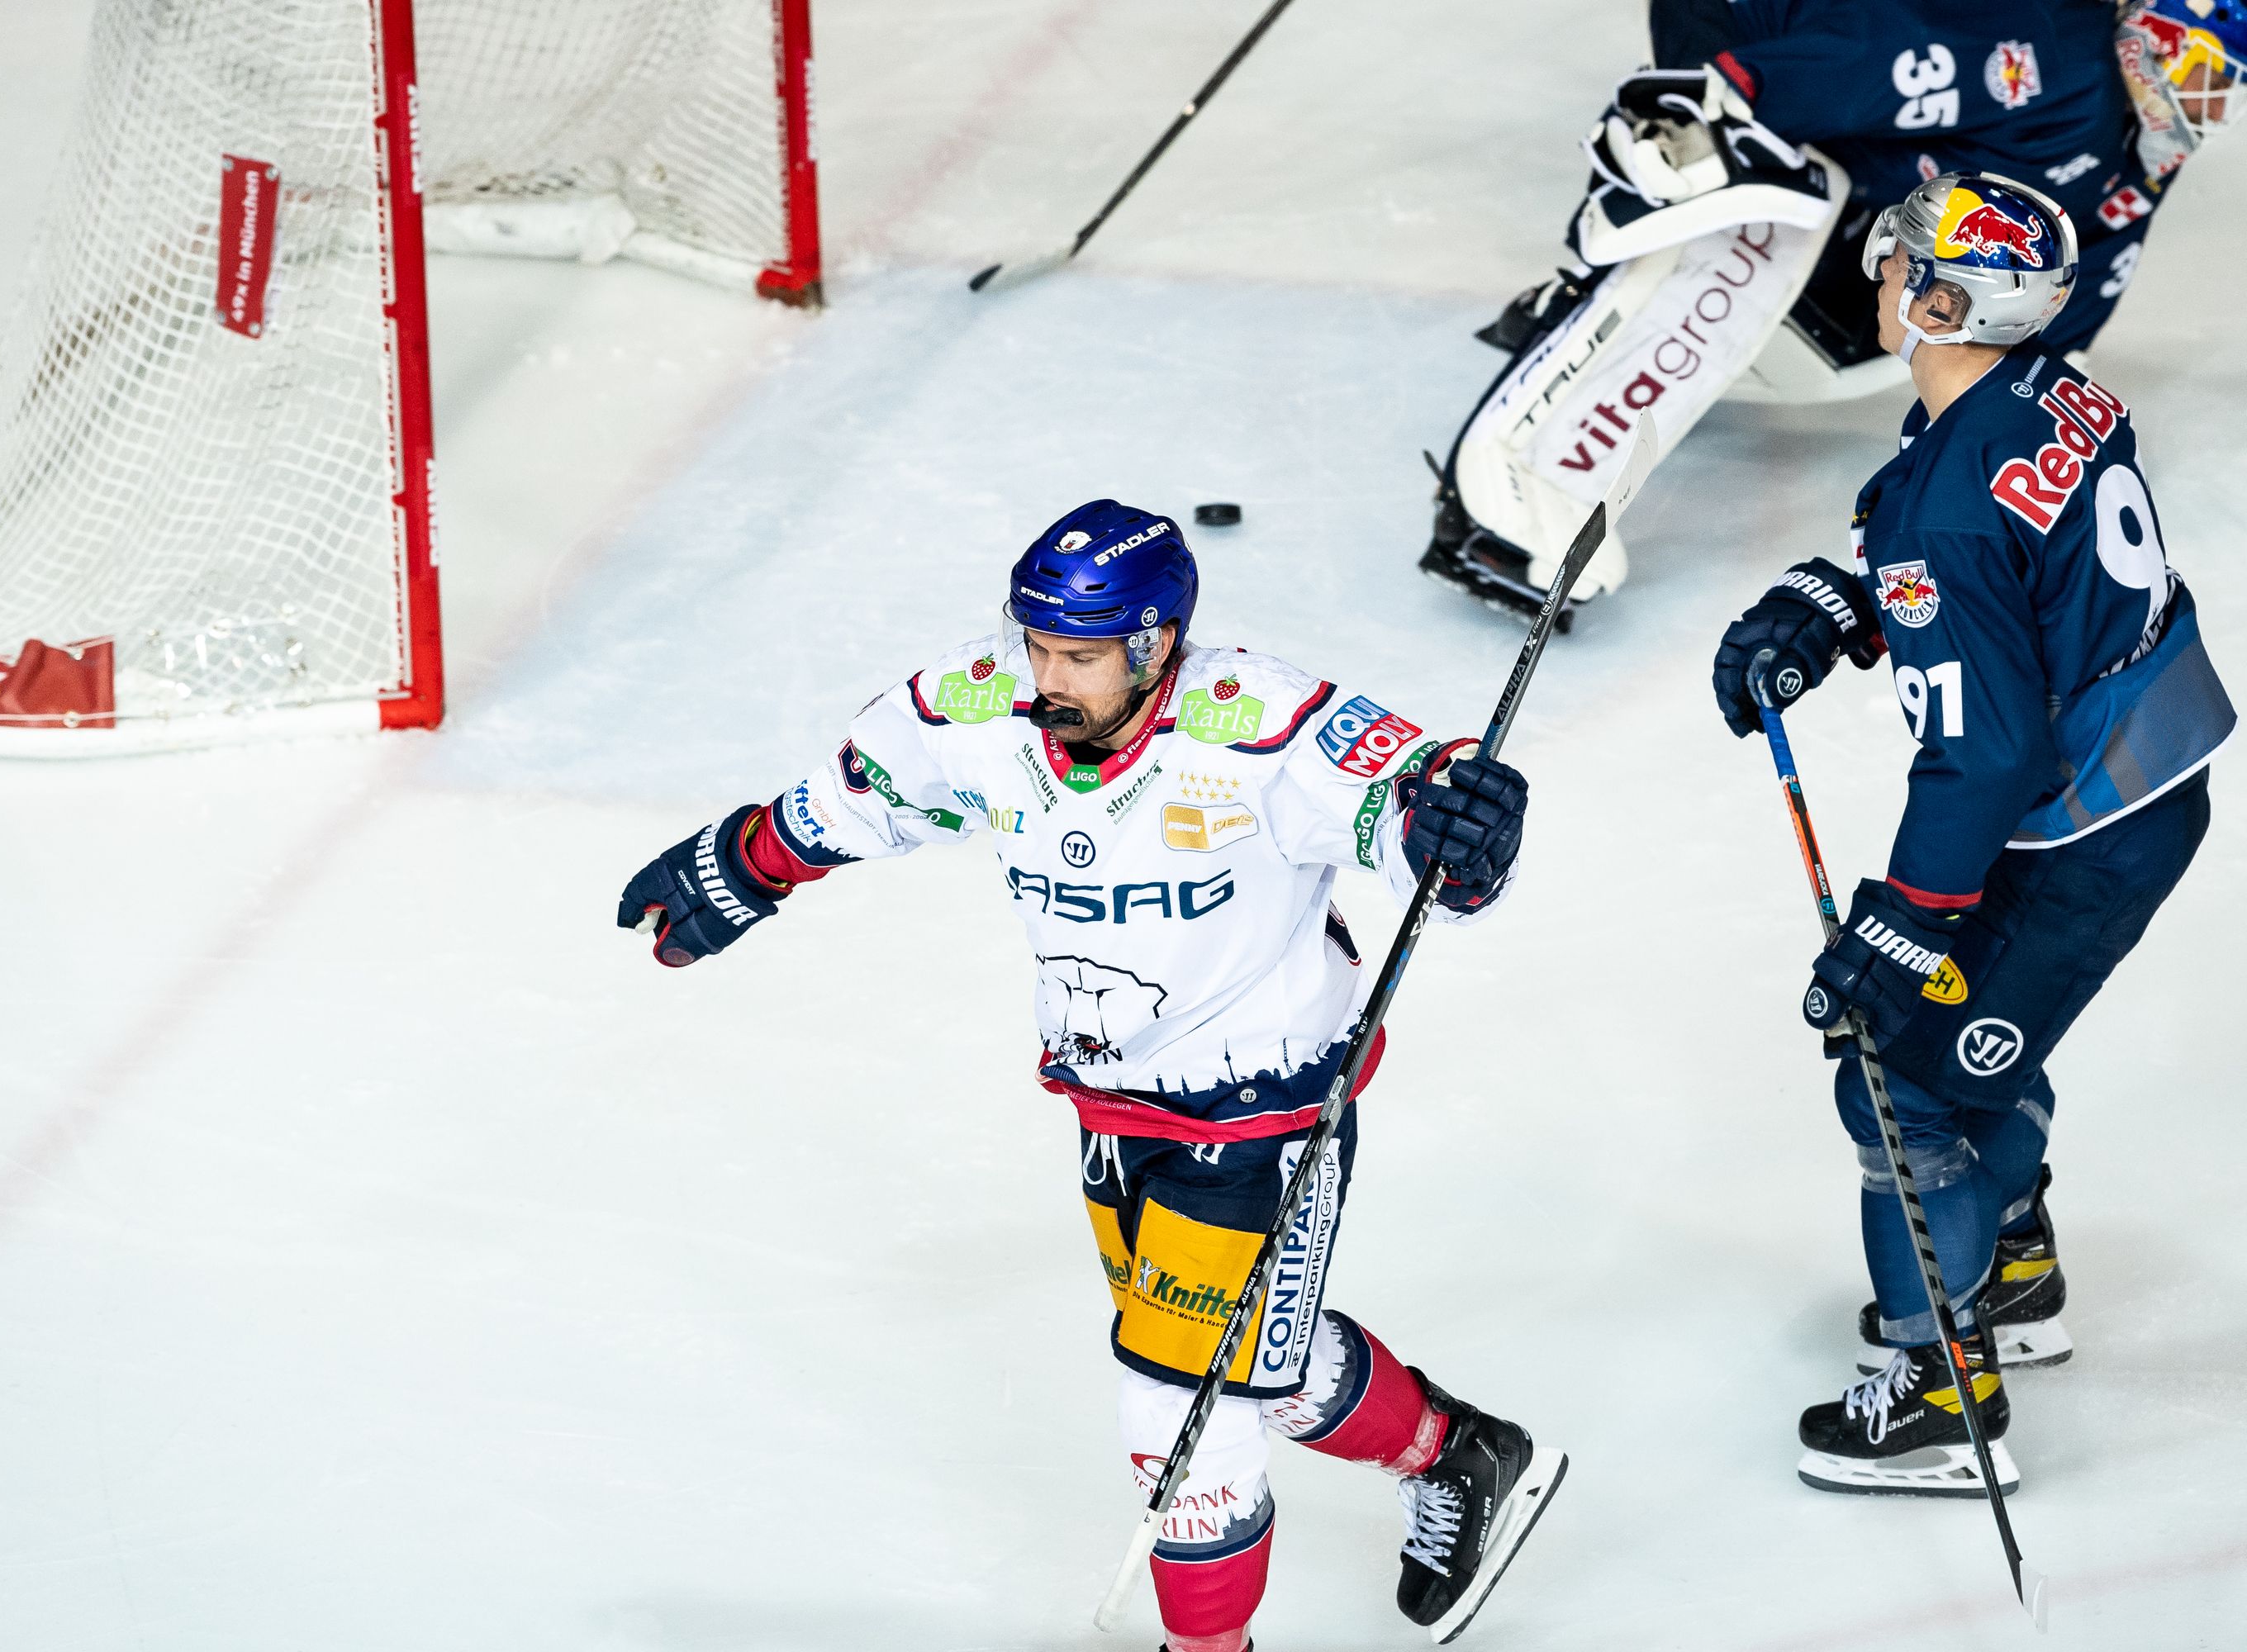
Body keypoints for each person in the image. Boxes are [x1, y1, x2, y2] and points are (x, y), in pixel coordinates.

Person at [618, 501, 1563, 1645]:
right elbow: (870, 790)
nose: (1047, 676)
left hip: (1265, 1112)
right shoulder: (988, 707)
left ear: (1158, 644)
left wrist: (1457, 830)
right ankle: (1456, 1453)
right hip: (1111, 1103)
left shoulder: (1256, 725)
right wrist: (743, 868)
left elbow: (1412, 798)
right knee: (1245, 1360)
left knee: (1177, 1401)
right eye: (1038, 646)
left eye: (1080, 655)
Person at [1709, 171, 2232, 1494]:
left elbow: (1986, 748)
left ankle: (1946, 1395)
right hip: (2129, 780)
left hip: (2081, 830)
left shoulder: (1941, 504)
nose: (1878, 276)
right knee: (1963, 1040)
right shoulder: (2054, 389)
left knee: (1902, 1082)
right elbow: (2014, 567)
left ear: (1943, 303)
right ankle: (2015, 1272)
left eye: (1899, 266)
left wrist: (1904, 917)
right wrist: (1847, 597)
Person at [1426, 0, 2247, 625]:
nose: (2211, 104)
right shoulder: (2051, 55)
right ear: (2153, 30)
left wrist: (2025, 441)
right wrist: (1737, 100)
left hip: (1855, 140)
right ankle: (1526, 471)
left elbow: (2072, 285)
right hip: (1756, 25)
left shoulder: (2140, 143)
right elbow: (1891, 60)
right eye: (2207, 71)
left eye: (2230, 88)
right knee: (1763, 204)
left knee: (1867, 297)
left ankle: (1646, 310)